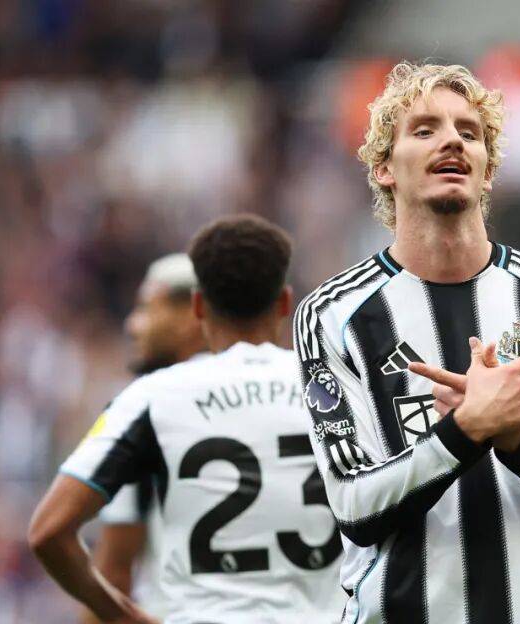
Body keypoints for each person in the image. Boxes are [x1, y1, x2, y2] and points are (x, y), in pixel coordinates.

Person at [293, 61, 520, 624]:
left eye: (469, 132)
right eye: (424, 129)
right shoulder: (332, 316)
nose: (452, 139)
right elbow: (354, 505)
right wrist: (465, 431)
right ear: (384, 167)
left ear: (487, 170)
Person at [29, 215, 346, 623]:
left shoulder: (154, 399)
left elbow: (48, 531)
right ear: (286, 303)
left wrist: (124, 617)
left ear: (198, 307)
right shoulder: (337, 388)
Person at [85, 253, 205, 624]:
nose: (133, 324)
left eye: (147, 308)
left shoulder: (144, 409)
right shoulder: (289, 394)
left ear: (192, 314)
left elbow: (113, 569)